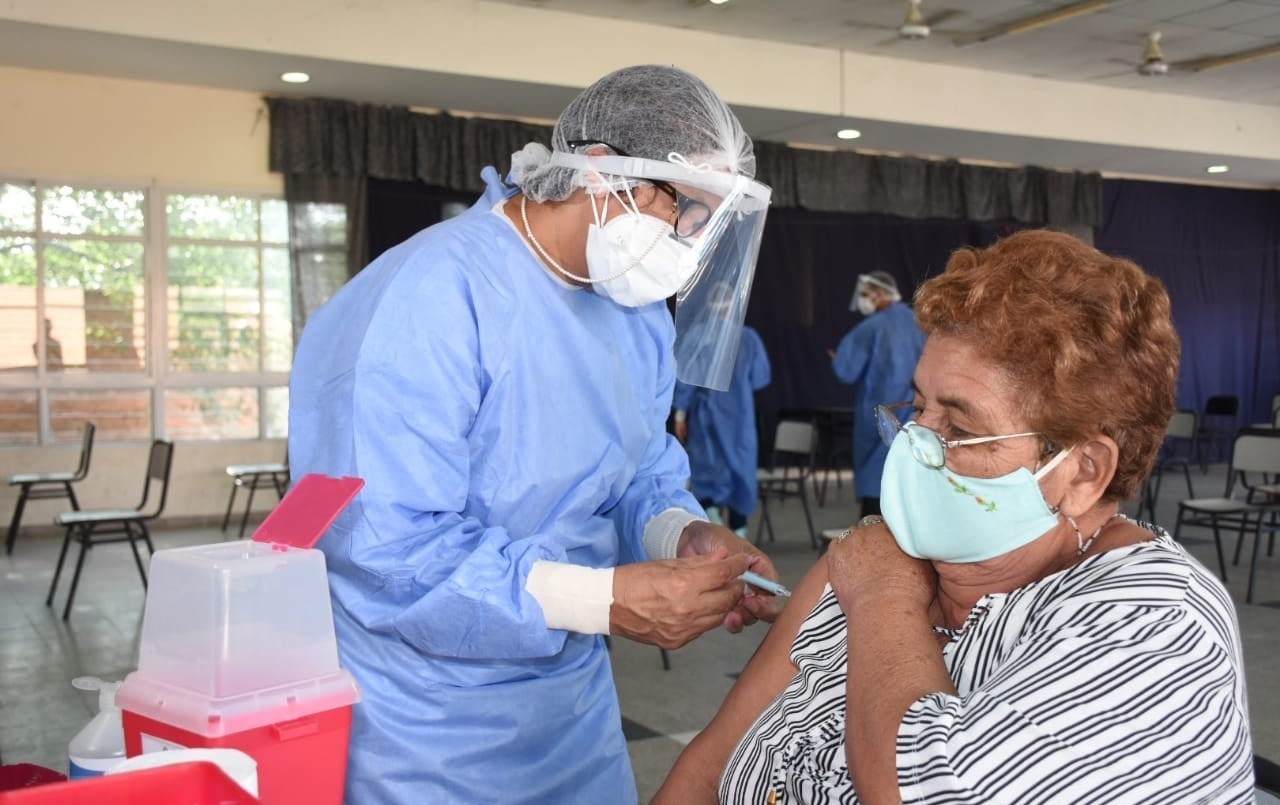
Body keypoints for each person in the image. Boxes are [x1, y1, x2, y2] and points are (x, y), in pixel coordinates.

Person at [288, 65, 783, 805]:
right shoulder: (431, 294)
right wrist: (603, 600)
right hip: (426, 726)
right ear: (599, 169)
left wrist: (681, 534)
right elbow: (387, 549)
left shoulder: (636, 319)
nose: (689, 240)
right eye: (685, 209)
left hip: (570, 716)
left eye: (708, 223)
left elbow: (641, 476)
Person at [655, 230, 1254, 804]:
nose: (915, 441)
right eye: (917, 407)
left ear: (1084, 470)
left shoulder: (1156, 620)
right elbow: (710, 766)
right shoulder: (878, 558)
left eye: (962, 430)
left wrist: (883, 594)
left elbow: (928, 791)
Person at [829, 271, 924, 516]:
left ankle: (872, 538)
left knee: (876, 480)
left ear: (881, 294)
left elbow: (846, 372)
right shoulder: (919, 322)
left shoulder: (870, 328)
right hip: (916, 415)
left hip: (878, 417)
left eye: (865, 294)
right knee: (910, 482)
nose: (863, 300)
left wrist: (838, 360)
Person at [673, 320, 771, 537]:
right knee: (740, 476)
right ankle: (738, 535)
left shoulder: (700, 333)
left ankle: (715, 526)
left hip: (707, 419)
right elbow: (760, 378)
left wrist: (681, 413)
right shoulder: (748, 338)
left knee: (707, 473)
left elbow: (686, 378)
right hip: (739, 419)